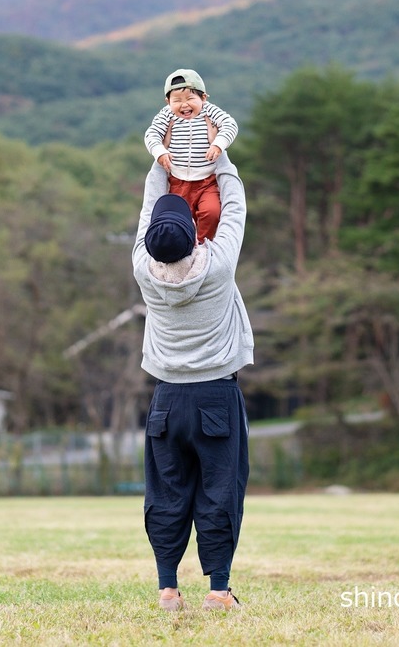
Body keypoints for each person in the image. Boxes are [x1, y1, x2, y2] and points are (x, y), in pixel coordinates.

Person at [132, 151, 253, 612]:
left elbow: (148, 208)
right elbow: (235, 208)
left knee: (166, 494)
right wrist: (218, 158)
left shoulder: (143, 268)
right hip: (216, 395)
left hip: (165, 400)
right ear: (192, 236)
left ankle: (168, 590)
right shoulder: (218, 264)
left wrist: (161, 160)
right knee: (219, 492)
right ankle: (219, 592)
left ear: (150, 241)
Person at [143, 68, 239, 243]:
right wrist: (160, 152)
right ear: (168, 102)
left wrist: (218, 144)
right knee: (180, 220)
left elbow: (230, 125)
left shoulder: (209, 111)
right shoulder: (166, 114)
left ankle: (202, 245)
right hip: (177, 181)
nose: (184, 105)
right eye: (177, 100)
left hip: (206, 181)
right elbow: (151, 134)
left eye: (190, 98)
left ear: (203, 98)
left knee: (212, 212)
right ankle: (186, 247)